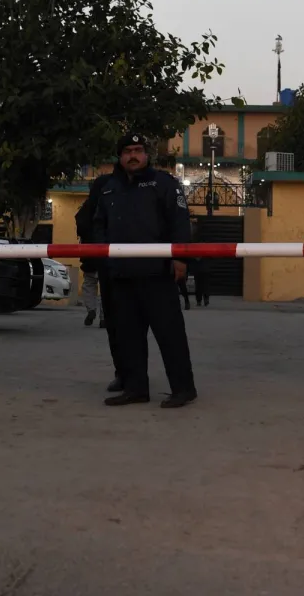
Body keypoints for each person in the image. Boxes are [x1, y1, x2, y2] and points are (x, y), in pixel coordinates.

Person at [93, 133, 197, 409]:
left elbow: (179, 221)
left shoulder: (163, 183)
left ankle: (183, 389)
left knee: (170, 334)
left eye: (138, 150)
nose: (133, 156)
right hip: (121, 274)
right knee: (128, 336)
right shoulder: (108, 188)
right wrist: (104, 259)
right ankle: (135, 388)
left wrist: (180, 258)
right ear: (120, 156)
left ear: (146, 155)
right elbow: (99, 225)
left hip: (156, 273)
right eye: (127, 151)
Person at [75, 172, 125, 390]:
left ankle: (91, 309)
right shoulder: (110, 201)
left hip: (90, 253)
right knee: (106, 289)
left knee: (89, 283)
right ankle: (103, 315)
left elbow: (80, 223)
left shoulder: (87, 206)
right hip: (107, 254)